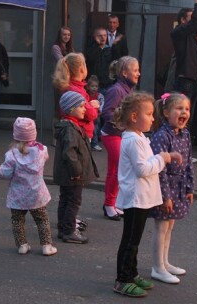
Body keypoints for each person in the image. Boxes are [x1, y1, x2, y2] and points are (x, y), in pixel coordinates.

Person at [112, 92, 178, 298]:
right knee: (130, 241)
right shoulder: (132, 140)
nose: (152, 118)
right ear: (134, 117)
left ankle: (131, 273)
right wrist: (163, 158)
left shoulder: (139, 137)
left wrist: (159, 157)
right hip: (135, 199)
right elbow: (142, 169)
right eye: (148, 114)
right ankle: (123, 280)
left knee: (134, 240)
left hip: (142, 198)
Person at [149, 92, 195, 284]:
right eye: (179, 108)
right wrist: (166, 196)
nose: (184, 112)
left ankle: (165, 262)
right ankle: (157, 267)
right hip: (164, 187)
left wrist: (190, 188)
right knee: (161, 227)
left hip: (179, 187)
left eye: (187, 109)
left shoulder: (185, 134)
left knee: (170, 225)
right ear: (167, 113)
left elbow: (189, 163)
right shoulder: (162, 136)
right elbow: (159, 171)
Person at [0, 117, 57, 256]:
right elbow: (45, 158)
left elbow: (4, 173)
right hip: (37, 194)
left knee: (17, 220)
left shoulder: (11, 155)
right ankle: (47, 246)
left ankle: (22, 245)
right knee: (42, 220)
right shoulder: (42, 151)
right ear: (33, 134)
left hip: (18, 195)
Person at [53, 91, 99, 244]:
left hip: (67, 174)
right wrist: (77, 171)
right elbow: (69, 153)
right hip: (72, 175)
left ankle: (63, 228)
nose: (84, 109)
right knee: (73, 201)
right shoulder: (70, 129)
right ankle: (69, 231)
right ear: (71, 109)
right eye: (80, 106)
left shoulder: (70, 126)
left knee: (65, 200)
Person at [100, 56, 140, 220]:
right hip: (112, 135)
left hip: (119, 134)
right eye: (135, 70)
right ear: (124, 72)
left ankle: (111, 202)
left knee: (117, 170)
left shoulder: (127, 89)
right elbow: (107, 112)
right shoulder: (116, 90)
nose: (139, 73)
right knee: (118, 170)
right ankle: (109, 204)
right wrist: (124, 124)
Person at [171, 0, 197, 142]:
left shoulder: (191, 35)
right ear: (183, 20)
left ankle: (183, 149)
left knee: (189, 117)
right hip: (185, 80)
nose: (195, 19)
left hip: (194, 80)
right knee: (182, 118)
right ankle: (178, 148)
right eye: (191, 16)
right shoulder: (178, 33)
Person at [53, 52, 100, 148]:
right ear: (81, 69)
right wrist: (94, 107)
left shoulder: (71, 87)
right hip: (80, 133)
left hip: (76, 131)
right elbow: (90, 114)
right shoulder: (76, 90)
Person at [85, 27, 114, 92]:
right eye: (100, 36)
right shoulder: (91, 49)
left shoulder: (109, 50)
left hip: (108, 83)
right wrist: (98, 46)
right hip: (95, 85)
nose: (103, 38)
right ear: (95, 37)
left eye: (105, 35)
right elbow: (91, 59)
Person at [86, 75, 104, 151]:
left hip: (96, 116)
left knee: (95, 130)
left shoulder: (99, 96)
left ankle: (95, 143)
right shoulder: (86, 95)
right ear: (88, 87)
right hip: (88, 116)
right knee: (89, 130)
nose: (94, 88)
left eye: (96, 86)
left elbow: (102, 104)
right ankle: (88, 144)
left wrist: (100, 111)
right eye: (92, 86)